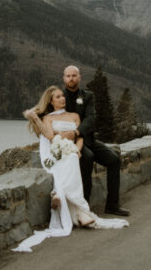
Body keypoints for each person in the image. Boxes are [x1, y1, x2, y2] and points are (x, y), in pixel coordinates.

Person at [12, 86, 127, 252]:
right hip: (54, 152)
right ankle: (80, 212)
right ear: (51, 101)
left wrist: (77, 150)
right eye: (58, 97)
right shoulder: (48, 119)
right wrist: (35, 119)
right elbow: (50, 137)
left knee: (73, 158)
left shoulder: (74, 116)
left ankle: (60, 196)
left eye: (62, 96)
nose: (62, 99)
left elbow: (80, 137)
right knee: (69, 160)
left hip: (71, 151)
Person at [59, 65, 131, 216]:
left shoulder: (88, 96)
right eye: (68, 76)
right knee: (88, 158)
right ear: (64, 78)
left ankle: (112, 205)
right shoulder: (59, 96)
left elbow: (90, 118)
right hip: (69, 143)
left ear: (79, 77)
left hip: (88, 138)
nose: (71, 78)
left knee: (114, 160)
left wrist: (77, 131)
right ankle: (84, 207)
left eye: (74, 75)